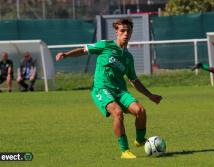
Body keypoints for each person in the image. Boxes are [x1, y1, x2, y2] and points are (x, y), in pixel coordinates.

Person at [55, 18, 162, 159]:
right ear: (116, 31)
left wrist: (150, 95)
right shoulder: (105, 45)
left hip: (120, 91)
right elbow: (83, 50)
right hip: (102, 88)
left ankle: (140, 140)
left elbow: (133, 80)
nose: (125, 33)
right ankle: (125, 151)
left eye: (128, 31)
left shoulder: (128, 57)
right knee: (117, 112)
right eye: (122, 30)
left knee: (141, 111)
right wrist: (66, 55)